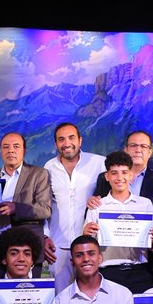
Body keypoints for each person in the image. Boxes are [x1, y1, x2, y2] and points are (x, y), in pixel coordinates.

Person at [82, 151, 153, 294]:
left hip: (140, 272)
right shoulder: (97, 206)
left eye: (124, 172)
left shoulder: (145, 204)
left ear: (131, 175)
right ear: (107, 176)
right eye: (114, 173)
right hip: (108, 272)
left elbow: (152, 242)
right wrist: (86, 234)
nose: (120, 178)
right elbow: (88, 244)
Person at [42, 123, 106, 293]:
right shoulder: (49, 167)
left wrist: (99, 197)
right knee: (61, 295)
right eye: (61, 139)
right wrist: (45, 236)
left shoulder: (99, 163)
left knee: (92, 293)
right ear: (56, 144)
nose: (67, 143)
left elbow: (114, 194)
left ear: (80, 140)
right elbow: (44, 204)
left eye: (71, 138)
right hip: (58, 245)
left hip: (90, 242)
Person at [90, 130, 153, 242]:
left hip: (149, 246)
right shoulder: (105, 178)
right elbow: (97, 203)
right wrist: (91, 201)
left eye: (143, 146)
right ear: (126, 149)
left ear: (150, 152)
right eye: (133, 145)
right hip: (110, 245)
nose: (138, 150)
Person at [0, 132, 52, 251]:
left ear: (24, 151)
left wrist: (16, 208)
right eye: (6, 147)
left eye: (16, 146)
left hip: (29, 243)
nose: (11, 151)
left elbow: (45, 210)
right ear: (1, 151)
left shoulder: (38, 174)